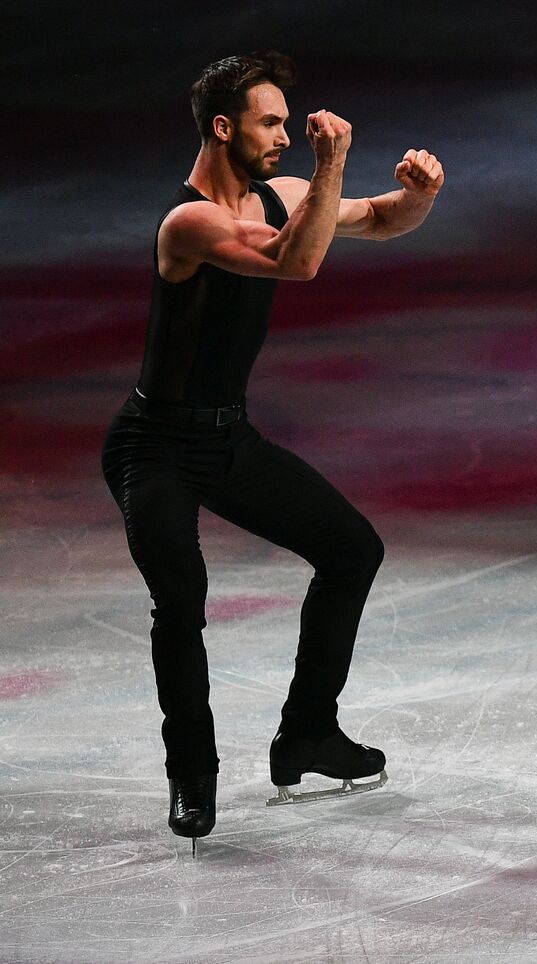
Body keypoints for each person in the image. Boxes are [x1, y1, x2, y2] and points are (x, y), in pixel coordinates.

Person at [100, 51, 445, 848]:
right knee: (181, 600)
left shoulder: (284, 195)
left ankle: (309, 735)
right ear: (223, 128)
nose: (286, 136)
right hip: (153, 446)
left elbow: (382, 219)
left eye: (290, 123)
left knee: (352, 549)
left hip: (226, 438)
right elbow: (301, 260)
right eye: (270, 122)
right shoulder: (186, 223)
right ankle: (193, 774)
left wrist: (418, 195)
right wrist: (334, 164)